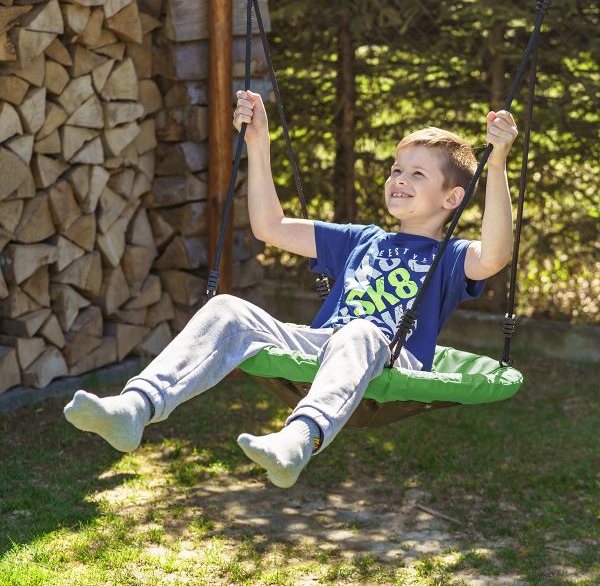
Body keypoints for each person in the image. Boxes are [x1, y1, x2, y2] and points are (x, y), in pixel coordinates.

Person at [64, 90, 518, 488]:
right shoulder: (362, 239)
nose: (399, 179)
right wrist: (259, 145)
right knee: (227, 308)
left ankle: (300, 439)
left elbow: (495, 255)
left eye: (417, 175)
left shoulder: (452, 256)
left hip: (390, 354)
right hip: (324, 344)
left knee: (359, 331)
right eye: (397, 169)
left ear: (452, 199)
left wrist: (495, 165)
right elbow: (271, 227)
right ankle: (135, 408)